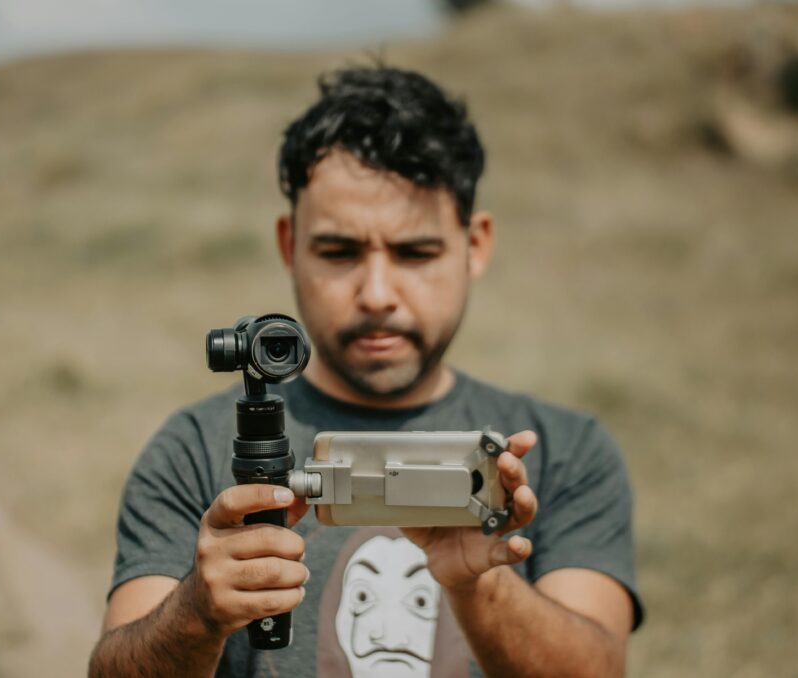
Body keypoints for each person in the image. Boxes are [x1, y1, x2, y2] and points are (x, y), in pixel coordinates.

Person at [88, 65, 643, 678]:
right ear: (288, 245)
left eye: (415, 252)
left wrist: (478, 584)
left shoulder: (564, 451)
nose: (377, 293)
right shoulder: (197, 447)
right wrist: (197, 610)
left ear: (475, 245)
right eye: (338, 251)